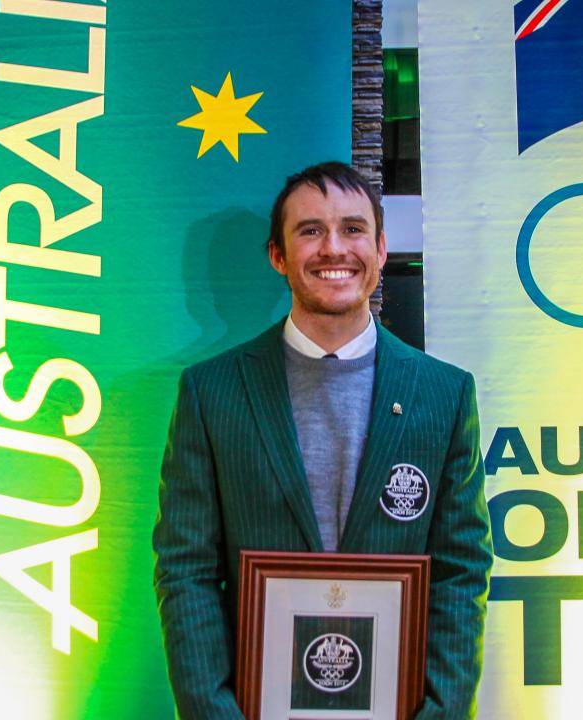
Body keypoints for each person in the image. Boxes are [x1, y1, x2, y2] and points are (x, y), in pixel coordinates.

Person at [153, 161, 493, 719]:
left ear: (380, 250)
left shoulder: (445, 395)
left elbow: (461, 572)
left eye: (353, 229)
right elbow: (185, 570)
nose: (334, 248)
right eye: (310, 230)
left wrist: (440, 713)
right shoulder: (211, 393)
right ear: (278, 255)